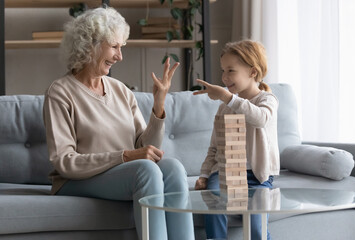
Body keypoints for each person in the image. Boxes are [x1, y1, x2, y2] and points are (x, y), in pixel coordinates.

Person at [43, 6, 194, 240]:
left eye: (121, 47)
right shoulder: (60, 92)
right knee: (145, 171)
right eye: (114, 46)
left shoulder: (120, 90)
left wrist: (159, 105)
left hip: (123, 173)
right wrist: (124, 156)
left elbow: (146, 147)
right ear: (90, 44)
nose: (119, 56)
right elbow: (64, 162)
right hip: (75, 180)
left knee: (173, 168)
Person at [193, 40, 280, 240]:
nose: (224, 77)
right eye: (223, 70)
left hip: (257, 177)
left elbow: (259, 118)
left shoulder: (267, 100)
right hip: (223, 173)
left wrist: (227, 97)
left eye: (230, 71)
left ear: (253, 72)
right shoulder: (225, 107)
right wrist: (205, 175)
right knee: (214, 202)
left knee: (257, 230)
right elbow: (214, 147)